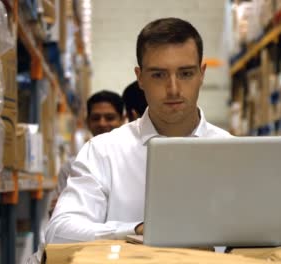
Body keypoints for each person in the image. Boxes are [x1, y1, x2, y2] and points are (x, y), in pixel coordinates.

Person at [46, 17, 231, 243]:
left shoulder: (231, 151)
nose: (173, 89)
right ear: (140, 78)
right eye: (158, 75)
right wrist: (137, 230)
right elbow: (59, 232)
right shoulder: (103, 152)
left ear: (201, 74)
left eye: (185, 73)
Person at [49, 90, 125, 214]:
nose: (102, 123)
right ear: (87, 122)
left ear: (122, 120)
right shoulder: (71, 166)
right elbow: (56, 215)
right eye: (96, 118)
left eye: (110, 118)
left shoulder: (132, 160)